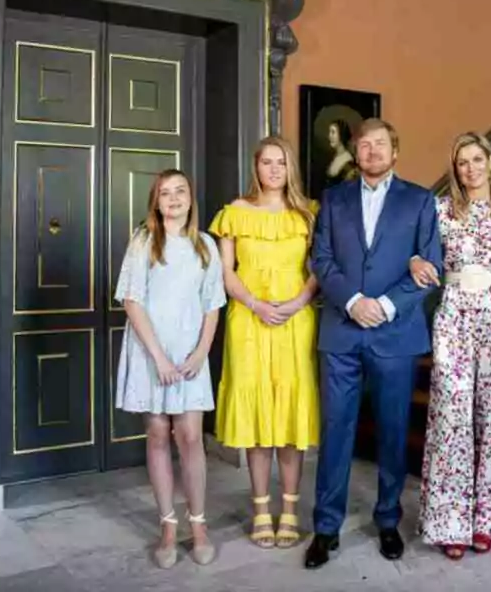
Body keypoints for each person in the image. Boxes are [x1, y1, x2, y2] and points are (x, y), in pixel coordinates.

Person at [305, 118, 443, 569]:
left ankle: (388, 520)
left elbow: (430, 266)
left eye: (380, 144)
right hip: (342, 332)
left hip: (395, 333)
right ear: (357, 152)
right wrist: (352, 301)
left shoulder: (421, 200)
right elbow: (320, 258)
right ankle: (326, 528)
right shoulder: (333, 199)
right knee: (336, 430)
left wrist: (382, 306)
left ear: (395, 152)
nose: (371, 152)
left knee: (392, 431)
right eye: (363, 145)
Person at [409, 132, 491, 560]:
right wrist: (414, 260)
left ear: (490, 163)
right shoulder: (440, 209)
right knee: (451, 415)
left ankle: (490, 518)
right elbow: (418, 252)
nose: (470, 168)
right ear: (455, 169)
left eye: (477, 159)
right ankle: (450, 522)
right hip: (456, 313)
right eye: (462, 162)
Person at [113, 169, 227, 569]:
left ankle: (198, 526)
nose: (174, 198)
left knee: (191, 435)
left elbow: (213, 304)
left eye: (181, 191)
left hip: (190, 353)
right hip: (151, 352)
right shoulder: (144, 241)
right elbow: (132, 301)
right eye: (166, 193)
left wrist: (201, 352)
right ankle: (167, 524)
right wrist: (159, 358)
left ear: (191, 199)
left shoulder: (206, 246)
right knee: (159, 431)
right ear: (156, 202)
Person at [210, 136, 320, 550]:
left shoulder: (309, 214)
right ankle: (260, 510)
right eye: (267, 163)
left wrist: (295, 303)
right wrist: (255, 303)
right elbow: (226, 271)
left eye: (281, 163)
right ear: (255, 168)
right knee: (258, 419)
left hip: (295, 319)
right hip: (248, 319)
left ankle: (289, 510)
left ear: (290, 168)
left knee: (290, 418)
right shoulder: (235, 213)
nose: (274, 169)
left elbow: (318, 268)